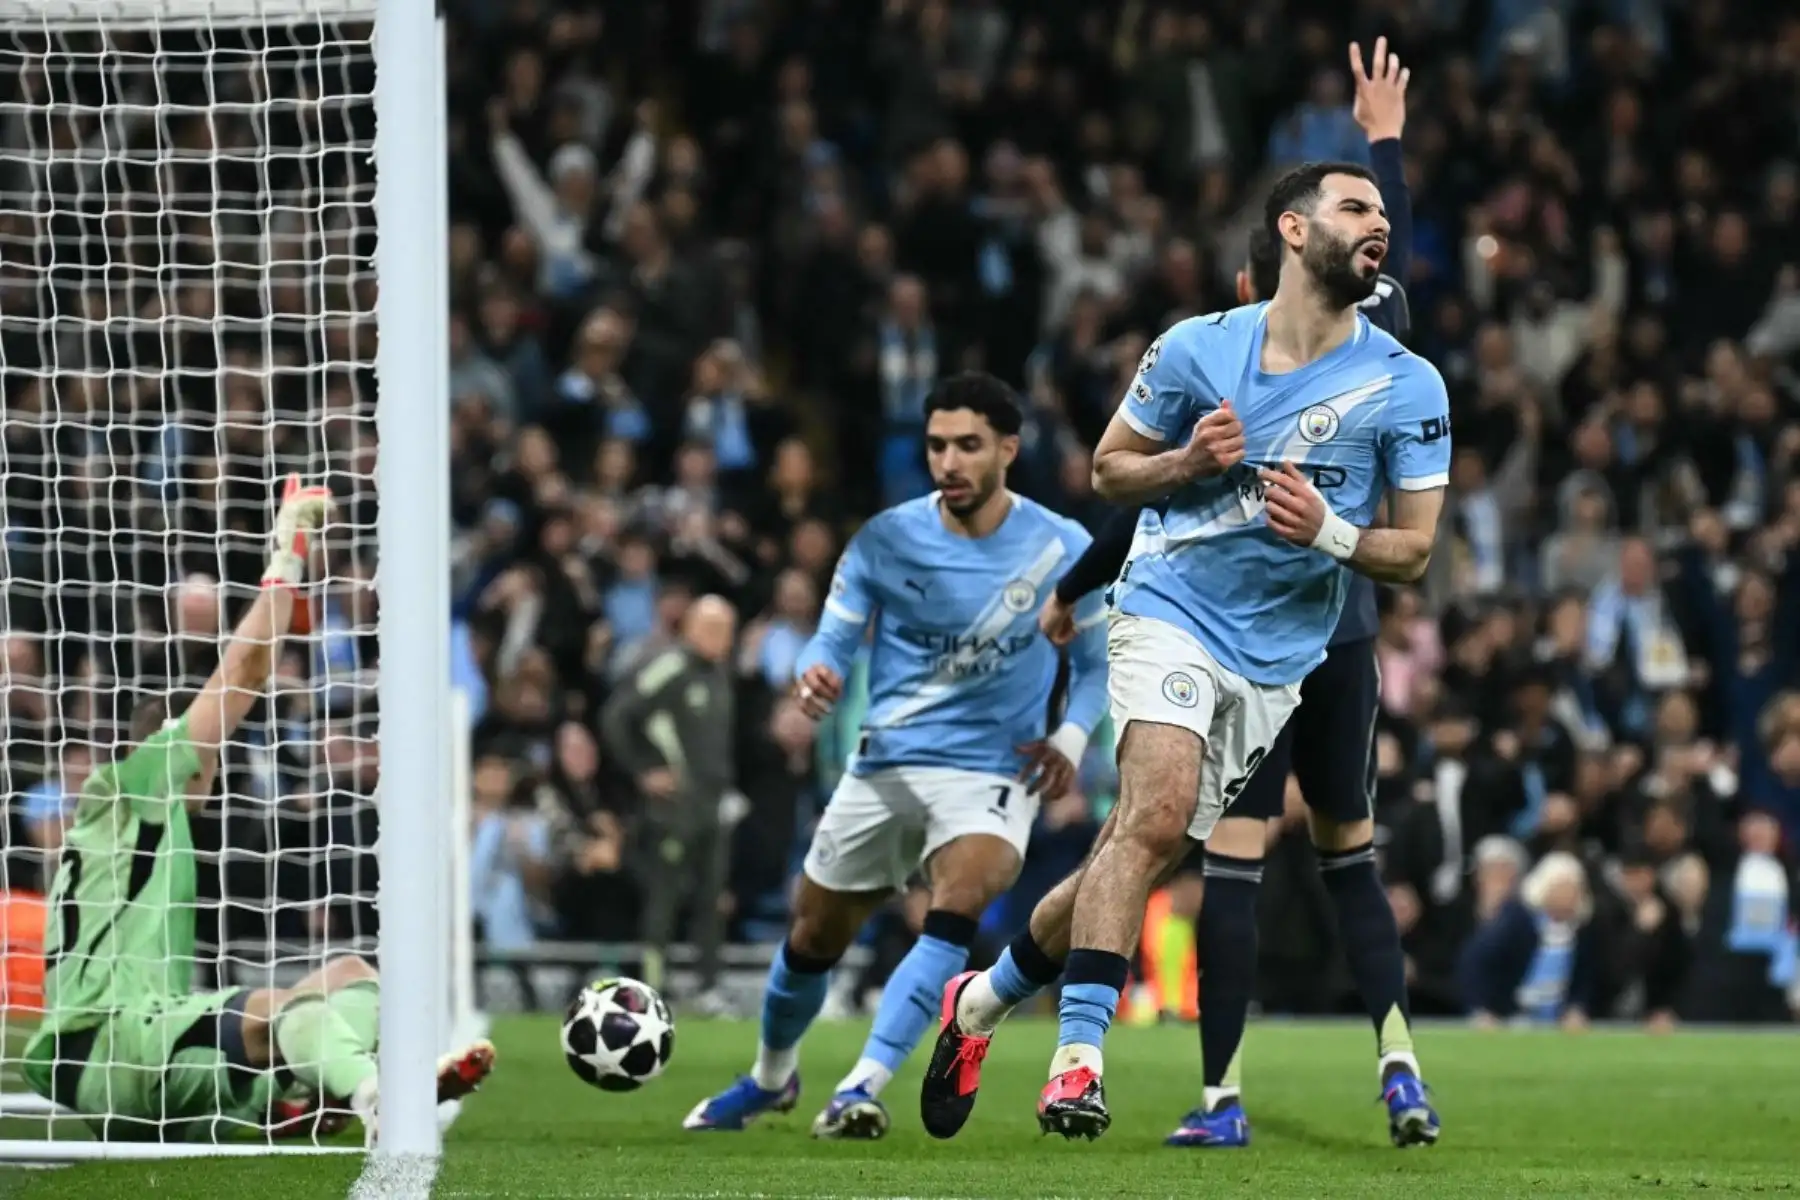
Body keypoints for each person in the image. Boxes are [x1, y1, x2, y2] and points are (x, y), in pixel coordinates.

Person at [919, 155, 1452, 1144]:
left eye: (1384, 213)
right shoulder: (1195, 348)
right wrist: (1184, 461)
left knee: (1144, 849)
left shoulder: (1406, 384)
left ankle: (980, 1004)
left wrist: (1329, 535)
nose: (1376, 223)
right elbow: (1109, 468)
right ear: (1293, 230)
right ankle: (1078, 1064)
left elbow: (1413, 551)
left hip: (1277, 659)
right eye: (1354, 206)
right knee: (1153, 809)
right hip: (1168, 605)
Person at [1036, 39, 1437, 1149]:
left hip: (1328, 630)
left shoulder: (1384, 348)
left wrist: (1383, 145)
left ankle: (1394, 1063)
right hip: (1212, 621)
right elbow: (1148, 497)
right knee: (1219, 848)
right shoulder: (1215, 357)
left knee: (1330, 851)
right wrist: (1082, 580)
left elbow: (1381, 235)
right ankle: (1221, 1091)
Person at [683, 372, 1109, 1138]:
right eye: (938, 444)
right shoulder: (885, 537)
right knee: (812, 936)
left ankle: (860, 1087)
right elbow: (833, 635)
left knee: (959, 901)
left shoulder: (1063, 547)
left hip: (992, 768)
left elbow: (1097, 665)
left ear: (1008, 450)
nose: (949, 461)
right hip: (887, 763)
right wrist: (818, 670)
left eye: (969, 445)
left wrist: (1070, 739)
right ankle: (771, 1077)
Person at [21, 477, 496, 1145]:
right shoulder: (136, 782)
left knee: (355, 978)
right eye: (207, 756)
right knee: (285, 1010)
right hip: (108, 1043)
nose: (211, 774)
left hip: (147, 1052)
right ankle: (379, 1095)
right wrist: (287, 557)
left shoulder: (138, 824)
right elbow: (240, 673)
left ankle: (301, 1096)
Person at [600, 593, 742, 1002]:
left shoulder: (719, 675)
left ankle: (708, 987)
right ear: (691, 628)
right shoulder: (670, 667)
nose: (723, 638)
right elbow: (616, 717)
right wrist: (644, 770)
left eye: (727, 630)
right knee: (665, 895)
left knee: (712, 897)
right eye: (714, 629)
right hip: (674, 806)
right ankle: (652, 984)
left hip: (713, 804)